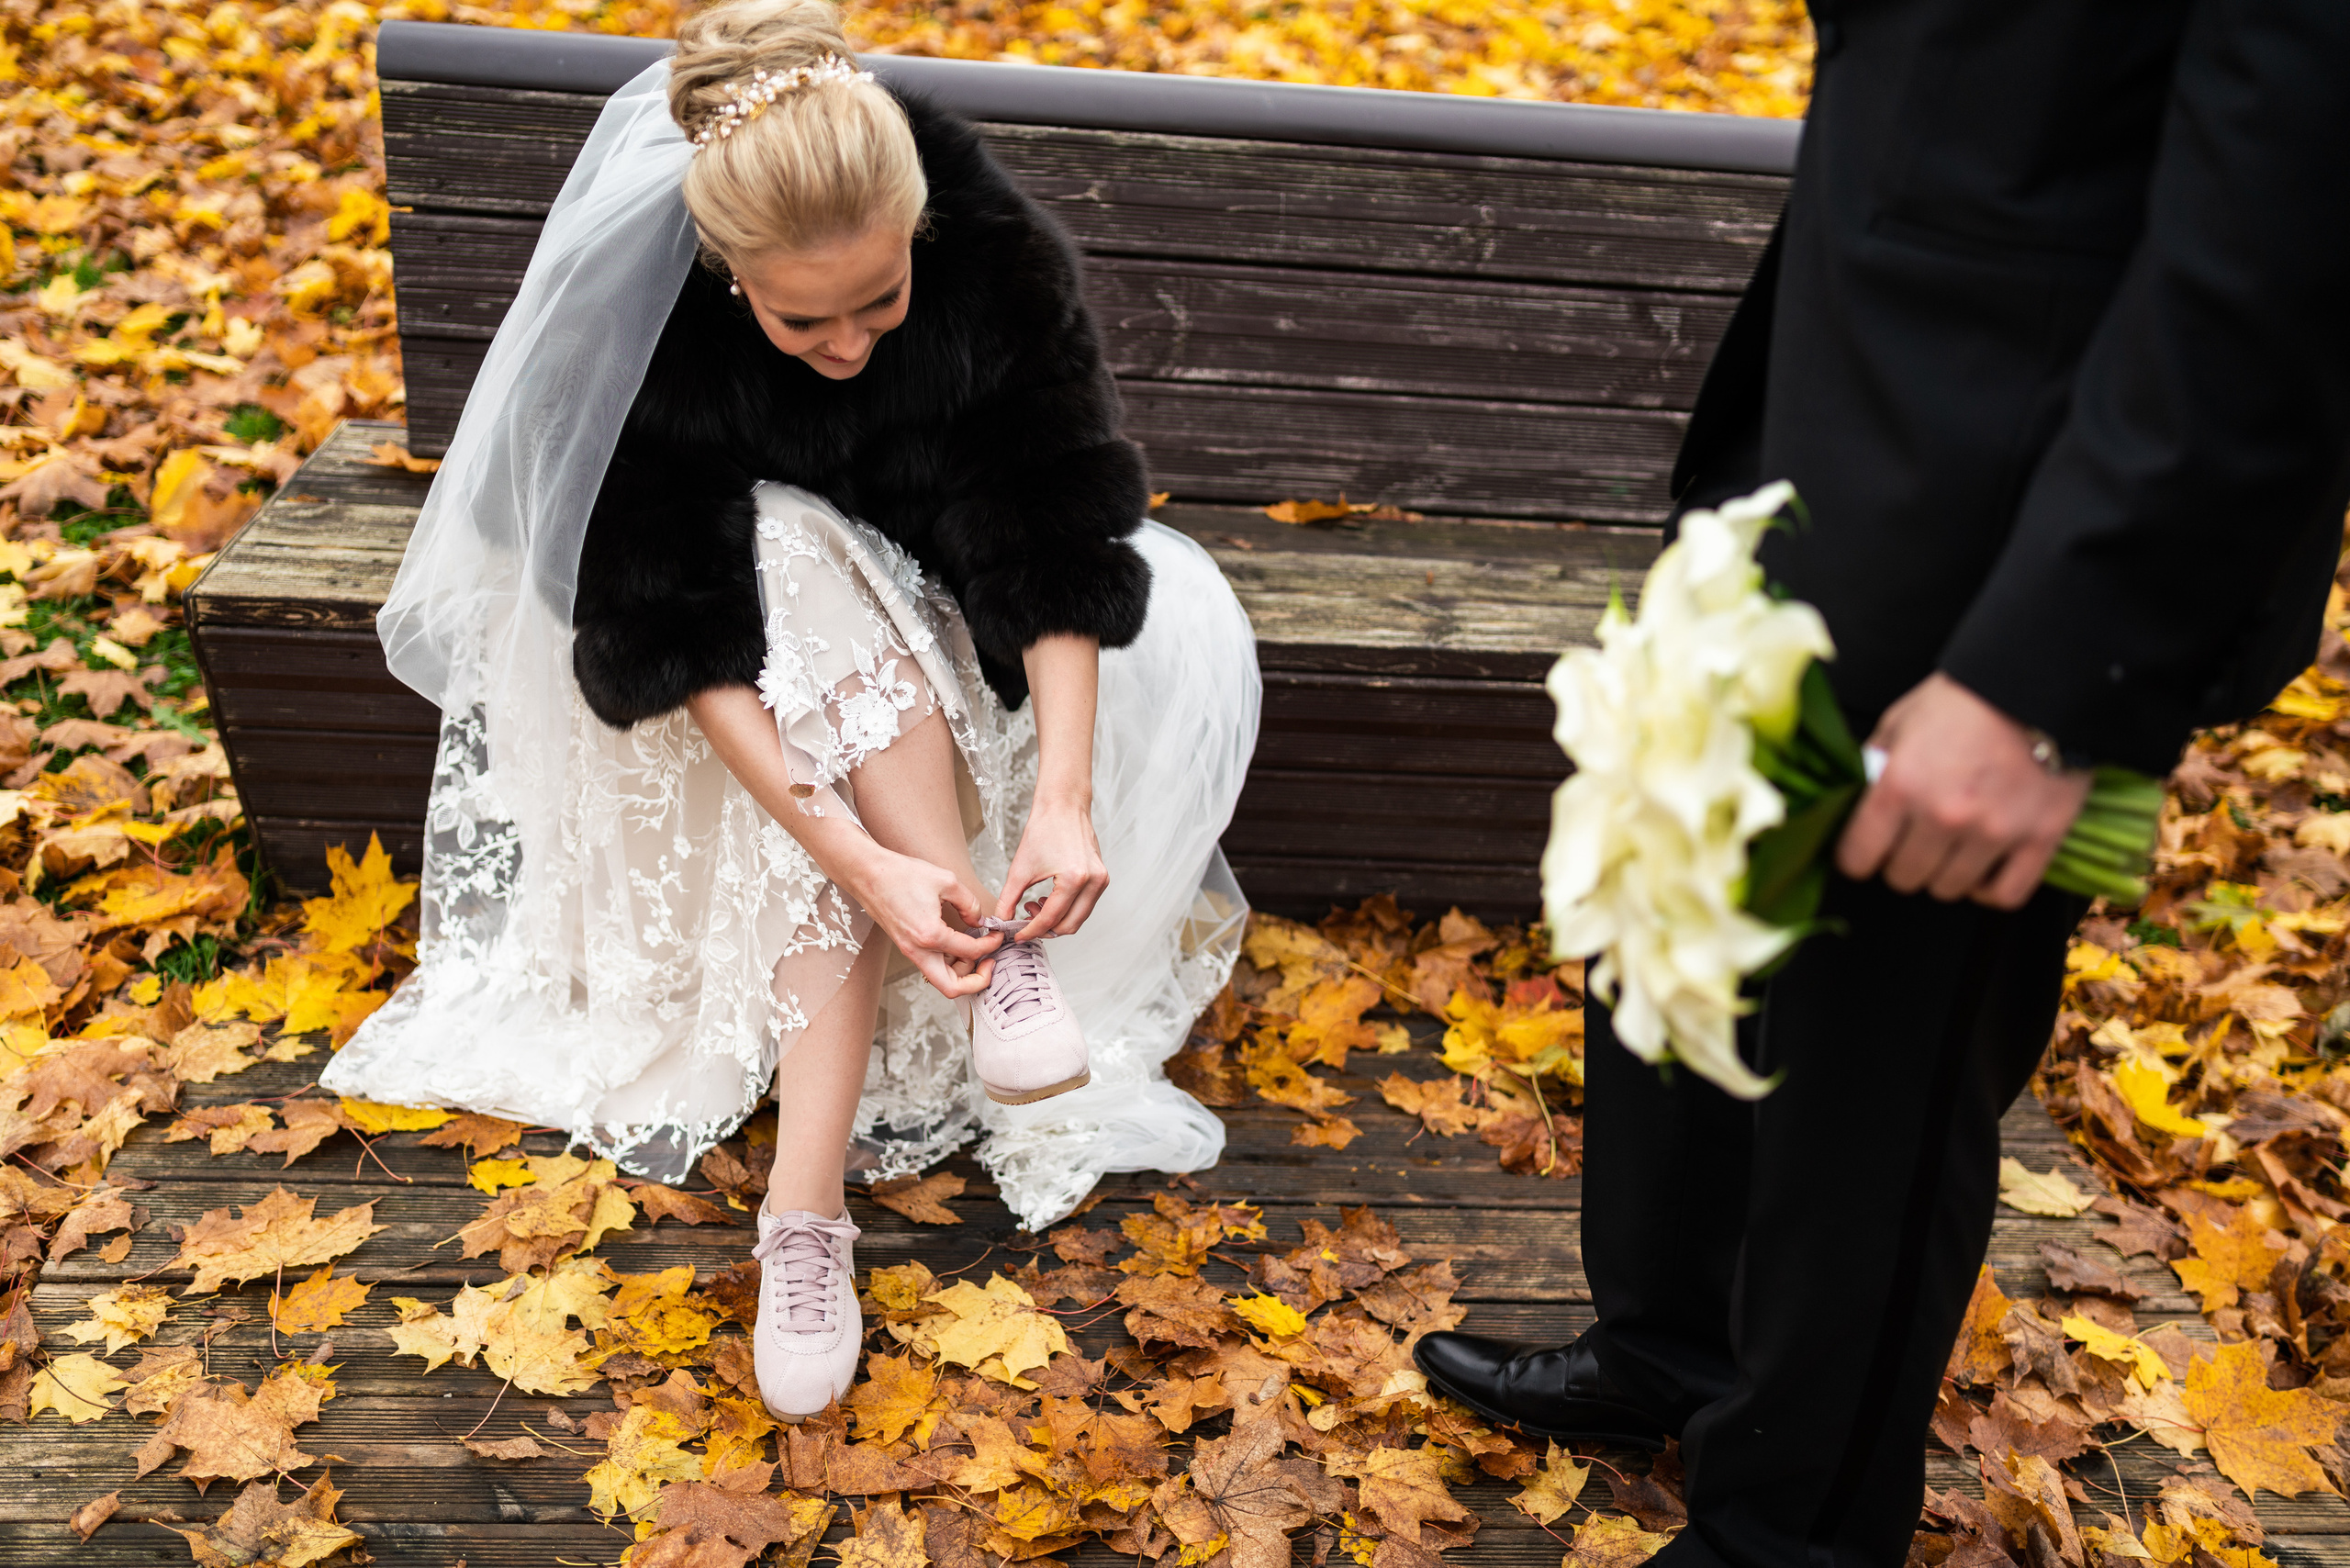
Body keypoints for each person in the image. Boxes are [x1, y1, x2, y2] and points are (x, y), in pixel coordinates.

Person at [1414, 2, 2350, 1563]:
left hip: (2012, 565)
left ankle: (1790, 1534)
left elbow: (2293, 220)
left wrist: (2057, 673)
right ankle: (1676, 1356)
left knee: (1874, 1093)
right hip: (1809, 451)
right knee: (1681, 959)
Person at [320, 0, 1260, 1422]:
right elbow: (675, 641)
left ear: (916, 229)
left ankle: (830, 1163)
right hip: (731, 728)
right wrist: (860, 859)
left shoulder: (987, 260)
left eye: (879, 302)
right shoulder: (644, 325)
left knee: (824, 574)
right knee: (777, 541)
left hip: (960, 679)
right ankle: (814, 1202)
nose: (847, 347)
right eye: (801, 318)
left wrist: (1061, 796)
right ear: (723, 266)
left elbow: (1051, 532)